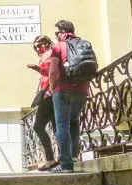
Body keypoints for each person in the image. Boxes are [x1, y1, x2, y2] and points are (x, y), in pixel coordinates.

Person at [49, 20, 90, 173]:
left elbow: (53, 71)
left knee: (62, 126)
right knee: (74, 122)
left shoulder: (58, 46)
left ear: (62, 32)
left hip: (63, 90)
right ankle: (73, 157)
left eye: (56, 33)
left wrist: (52, 88)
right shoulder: (84, 44)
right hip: (82, 91)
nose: (56, 36)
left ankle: (66, 164)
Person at [27, 35, 58, 171]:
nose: (37, 49)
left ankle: (51, 158)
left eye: (39, 45)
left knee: (38, 126)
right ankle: (60, 157)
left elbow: (52, 73)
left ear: (47, 43)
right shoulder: (49, 54)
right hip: (52, 94)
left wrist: (35, 67)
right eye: (35, 47)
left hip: (49, 95)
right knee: (56, 126)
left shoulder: (50, 54)